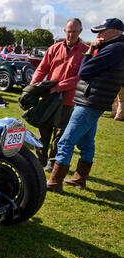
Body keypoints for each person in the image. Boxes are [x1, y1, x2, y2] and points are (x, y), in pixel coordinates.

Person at [47, 18, 124, 193]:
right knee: (86, 142)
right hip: (94, 101)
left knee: (65, 142)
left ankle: (54, 182)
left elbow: (84, 71)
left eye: (102, 31)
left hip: (91, 101)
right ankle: (79, 179)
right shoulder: (116, 48)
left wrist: (91, 49)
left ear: (113, 32)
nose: (98, 35)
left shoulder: (114, 49)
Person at [30, 18, 89, 173]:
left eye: (74, 32)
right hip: (48, 96)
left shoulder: (86, 51)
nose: (71, 35)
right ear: (64, 31)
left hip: (69, 99)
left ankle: (53, 161)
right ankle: (39, 159)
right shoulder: (54, 48)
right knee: (43, 128)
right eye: (68, 31)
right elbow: (42, 69)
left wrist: (59, 87)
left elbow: (81, 77)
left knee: (61, 132)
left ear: (80, 32)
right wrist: (34, 86)